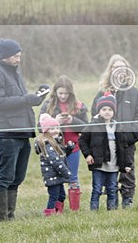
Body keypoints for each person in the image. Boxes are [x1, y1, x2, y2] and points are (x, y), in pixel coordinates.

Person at [0, 39, 48, 221]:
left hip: (22, 131)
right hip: (7, 132)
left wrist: (37, 98)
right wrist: (27, 99)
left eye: (19, 55)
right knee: (5, 176)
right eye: (15, 55)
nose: (19, 59)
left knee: (17, 176)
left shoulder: (14, 73)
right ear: (5, 56)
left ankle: (9, 215)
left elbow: (21, 100)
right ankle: (1, 218)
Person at [91, 54, 138, 208]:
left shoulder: (135, 94)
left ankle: (127, 200)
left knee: (127, 170)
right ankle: (110, 202)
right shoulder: (101, 94)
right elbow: (94, 118)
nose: (119, 71)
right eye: (115, 68)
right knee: (107, 171)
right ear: (110, 71)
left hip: (126, 141)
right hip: (105, 143)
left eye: (122, 68)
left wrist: (128, 137)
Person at [39, 75, 88, 210]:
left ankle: (74, 209)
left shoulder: (79, 106)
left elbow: (86, 127)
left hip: (73, 146)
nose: (63, 96)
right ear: (55, 92)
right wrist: (55, 121)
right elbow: (39, 127)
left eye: (66, 93)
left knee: (73, 177)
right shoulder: (48, 106)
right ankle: (57, 209)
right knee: (57, 179)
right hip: (53, 148)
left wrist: (72, 120)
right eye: (60, 93)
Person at [79, 93, 123, 211]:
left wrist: (126, 164)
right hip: (99, 164)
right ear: (99, 111)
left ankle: (112, 211)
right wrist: (87, 155)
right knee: (97, 189)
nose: (107, 112)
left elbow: (123, 147)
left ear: (114, 111)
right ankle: (94, 212)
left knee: (113, 189)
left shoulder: (117, 126)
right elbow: (82, 140)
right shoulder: (93, 125)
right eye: (104, 109)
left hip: (114, 165)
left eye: (110, 109)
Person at [36, 114, 72, 216]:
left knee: (61, 196)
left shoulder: (56, 141)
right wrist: (67, 173)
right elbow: (56, 161)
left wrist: (68, 148)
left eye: (57, 128)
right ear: (46, 131)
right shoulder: (47, 144)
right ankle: (49, 213)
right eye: (52, 128)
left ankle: (57, 212)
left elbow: (61, 154)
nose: (56, 130)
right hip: (52, 176)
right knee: (54, 196)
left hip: (57, 175)